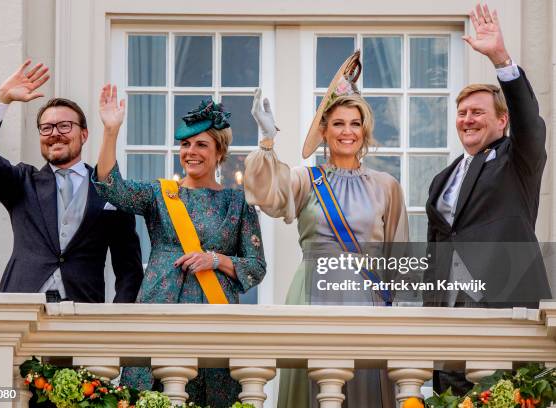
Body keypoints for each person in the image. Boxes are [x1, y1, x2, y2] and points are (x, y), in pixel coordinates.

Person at [244, 52, 408, 408]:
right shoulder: (306, 179)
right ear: (324, 131)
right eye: (337, 123)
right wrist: (268, 140)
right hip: (312, 294)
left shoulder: (386, 185)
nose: (346, 131)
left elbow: (399, 257)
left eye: (354, 123)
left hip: (366, 298)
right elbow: (266, 194)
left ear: (364, 130)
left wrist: (404, 322)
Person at [92, 84, 266, 405]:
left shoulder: (237, 203)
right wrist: (111, 131)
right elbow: (109, 186)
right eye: (186, 144)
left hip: (215, 316)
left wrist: (215, 260)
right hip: (160, 308)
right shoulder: (161, 195)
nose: (191, 152)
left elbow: (256, 268)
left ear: (219, 153)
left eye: (201, 144)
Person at [424, 3, 553, 394]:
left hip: (503, 309)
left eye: (478, 112)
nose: (467, 119)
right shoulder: (441, 180)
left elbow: (529, 118)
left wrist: (500, 59)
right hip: (448, 320)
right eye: (462, 112)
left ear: (502, 120)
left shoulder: (518, 160)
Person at [0, 60, 143, 303]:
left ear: (84, 134)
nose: (55, 133)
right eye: (46, 128)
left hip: (83, 314)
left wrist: (116, 323)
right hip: (20, 310)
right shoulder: (22, 183)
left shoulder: (110, 191)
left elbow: (129, 270)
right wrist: (1, 99)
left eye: (65, 126)